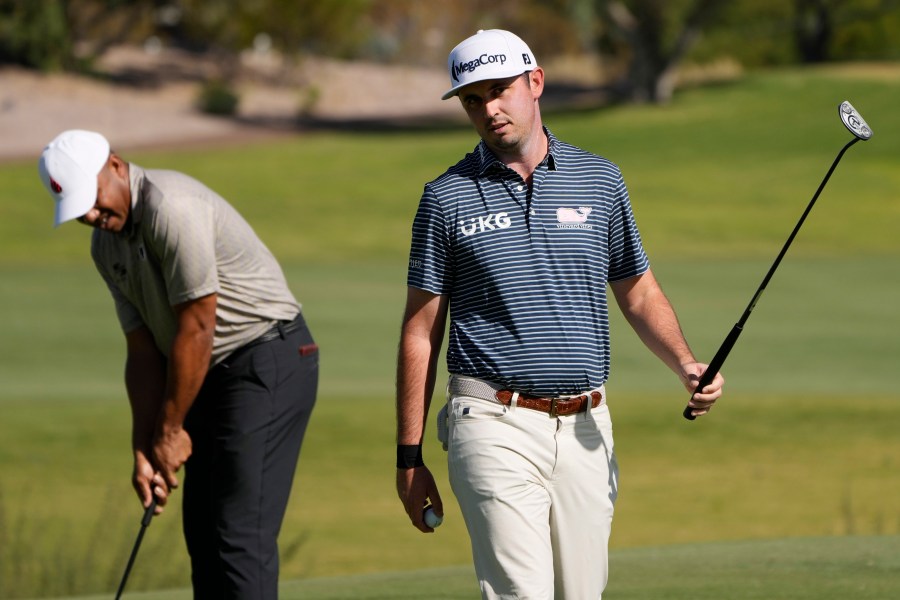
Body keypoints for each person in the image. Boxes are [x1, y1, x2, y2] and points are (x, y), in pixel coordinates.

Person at [395, 29, 724, 599]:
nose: (489, 109)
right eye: (473, 100)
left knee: (582, 594)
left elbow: (638, 291)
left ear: (536, 82)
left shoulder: (600, 179)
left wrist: (686, 363)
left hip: (588, 425)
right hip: (490, 419)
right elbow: (421, 332)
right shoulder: (446, 197)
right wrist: (409, 455)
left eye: (500, 90)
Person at [38, 129, 319, 599]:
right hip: (205, 371)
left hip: (266, 359)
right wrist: (145, 446)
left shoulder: (172, 205)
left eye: (93, 200)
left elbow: (196, 327)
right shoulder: (105, 247)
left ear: (116, 165)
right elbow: (143, 349)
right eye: (79, 211)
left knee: (237, 534)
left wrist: (171, 431)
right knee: (204, 537)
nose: (90, 215)